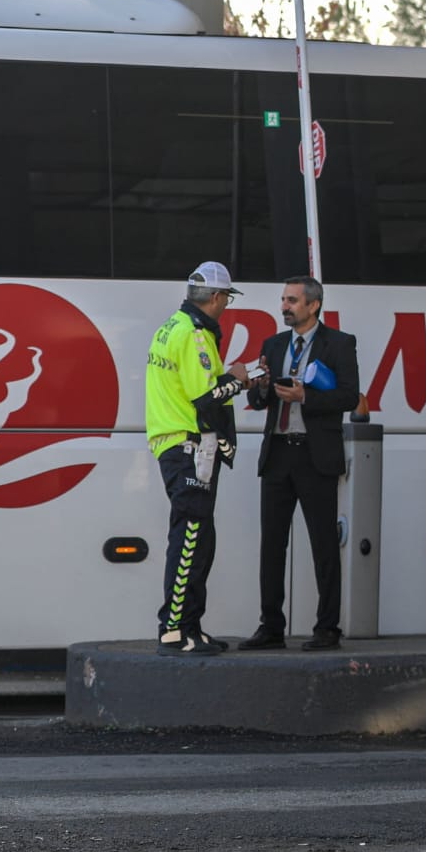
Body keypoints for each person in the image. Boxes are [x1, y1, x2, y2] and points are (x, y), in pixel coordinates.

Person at [239, 276, 362, 652]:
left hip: (314, 454)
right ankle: (271, 627)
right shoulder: (273, 345)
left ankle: (327, 628)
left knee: (323, 543)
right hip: (277, 453)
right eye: (283, 300)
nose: (285, 307)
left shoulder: (339, 343)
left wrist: (304, 396)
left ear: (313, 305)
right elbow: (260, 404)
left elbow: (347, 396)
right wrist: (258, 388)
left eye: (292, 301)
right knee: (271, 545)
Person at [144, 261, 253, 656]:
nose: (226, 307)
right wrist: (240, 379)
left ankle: (190, 626)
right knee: (190, 539)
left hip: (176, 444)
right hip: (188, 446)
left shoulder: (171, 326)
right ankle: (175, 630)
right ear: (218, 298)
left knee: (198, 539)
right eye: (227, 300)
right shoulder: (194, 335)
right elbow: (206, 397)